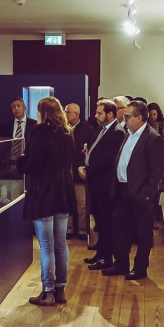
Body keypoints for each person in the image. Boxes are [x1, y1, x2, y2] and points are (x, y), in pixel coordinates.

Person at [17, 97, 77, 307]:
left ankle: (47, 292)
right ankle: (60, 289)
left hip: (43, 193)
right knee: (61, 243)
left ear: (42, 112)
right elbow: (70, 161)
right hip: (63, 192)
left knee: (46, 246)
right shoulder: (67, 133)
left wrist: (20, 162)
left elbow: (34, 166)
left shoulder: (39, 132)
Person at [102, 100, 164, 280]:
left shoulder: (153, 138)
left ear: (139, 117)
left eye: (128, 116)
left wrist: (146, 193)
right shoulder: (128, 134)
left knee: (143, 233)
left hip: (140, 193)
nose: (124, 119)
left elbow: (158, 170)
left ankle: (140, 268)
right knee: (119, 229)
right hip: (122, 190)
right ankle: (121, 263)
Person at [80, 99, 125, 272]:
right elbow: (94, 151)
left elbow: (107, 159)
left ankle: (106, 258)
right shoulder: (102, 128)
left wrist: (88, 170)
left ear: (110, 114)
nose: (96, 116)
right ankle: (100, 254)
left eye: (100, 113)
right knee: (99, 221)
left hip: (105, 185)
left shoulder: (117, 132)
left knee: (106, 223)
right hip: (95, 182)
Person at [66, 102, 93, 241]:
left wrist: (83, 166)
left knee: (81, 203)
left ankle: (82, 229)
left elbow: (90, 151)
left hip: (79, 172)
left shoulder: (87, 129)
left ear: (76, 114)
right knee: (66, 202)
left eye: (68, 112)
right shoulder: (62, 128)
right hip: (65, 173)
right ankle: (69, 228)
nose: (65, 114)